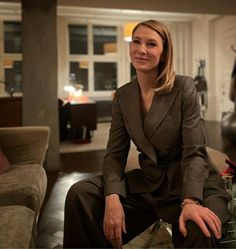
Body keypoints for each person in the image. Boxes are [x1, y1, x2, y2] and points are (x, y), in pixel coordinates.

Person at [63, 19, 231, 248]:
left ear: (163, 53)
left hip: (193, 184)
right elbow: (114, 155)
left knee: (201, 229)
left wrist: (191, 201)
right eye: (136, 42)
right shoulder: (123, 96)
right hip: (150, 184)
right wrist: (112, 196)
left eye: (151, 44)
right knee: (80, 193)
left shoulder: (184, 87)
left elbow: (194, 153)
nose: (141, 49)